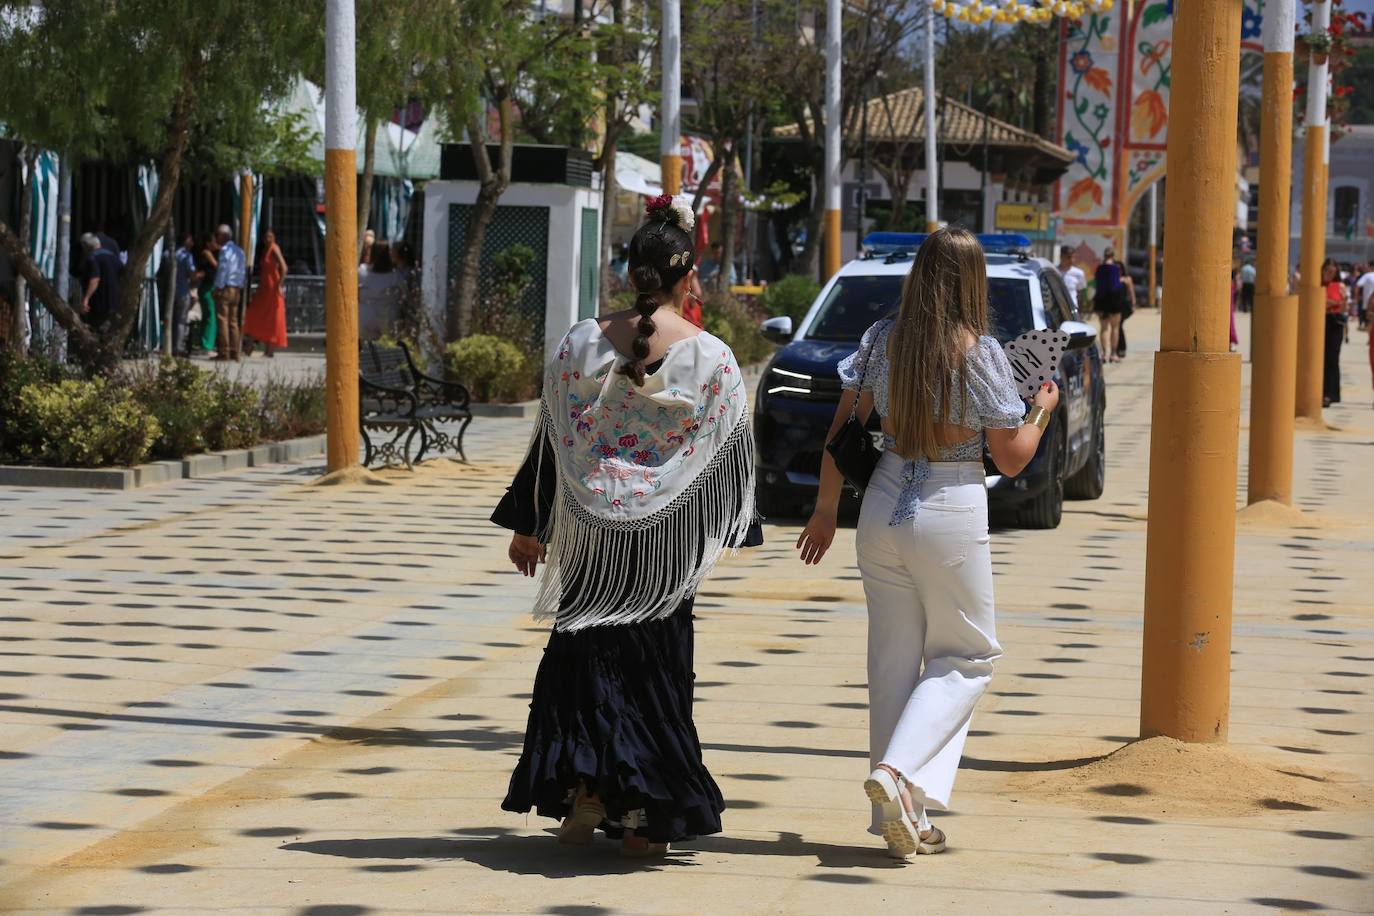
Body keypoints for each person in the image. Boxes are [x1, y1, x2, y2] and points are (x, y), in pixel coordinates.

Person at [496, 195, 759, 858]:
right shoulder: (715, 360)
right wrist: (728, 530)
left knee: (583, 665)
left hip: (590, 534)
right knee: (653, 676)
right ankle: (641, 818)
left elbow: (553, 440)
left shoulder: (578, 343)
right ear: (687, 278)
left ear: (628, 270)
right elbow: (728, 457)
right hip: (662, 550)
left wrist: (531, 525)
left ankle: (588, 790)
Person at [796, 227, 1059, 859]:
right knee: (968, 658)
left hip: (882, 497)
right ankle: (897, 776)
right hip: (949, 503)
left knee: (891, 661)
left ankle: (903, 815)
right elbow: (1012, 457)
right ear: (973, 281)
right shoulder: (981, 352)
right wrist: (1042, 408)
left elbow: (842, 427)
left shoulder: (883, 341)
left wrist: (825, 509)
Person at [241, 228, 289, 357]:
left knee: (273, 318)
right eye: (266, 237)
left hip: (273, 289)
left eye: (270, 237)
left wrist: (279, 285)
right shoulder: (265, 250)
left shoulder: (274, 249)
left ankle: (269, 350)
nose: (267, 239)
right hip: (264, 288)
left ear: (274, 238)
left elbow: (284, 268)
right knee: (254, 315)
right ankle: (249, 346)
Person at [212, 225, 246, 361]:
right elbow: (242, 272)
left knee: (223, 320)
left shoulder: (225, 251)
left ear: (224, 236)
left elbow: (222, 271)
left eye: (218, 235)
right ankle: (235, 352)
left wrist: (218, 288)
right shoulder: (240, 251)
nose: (216, 238)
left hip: (225, 288)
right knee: (233, 321)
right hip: (236, 289)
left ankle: (224, 352)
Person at [358, 241, 405, 339]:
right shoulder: (396, 276)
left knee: (366, 348)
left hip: (365, 316)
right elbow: (404, 294)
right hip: (389, 317)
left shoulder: (362, 272)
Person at [79, 233, 122, 333]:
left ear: (86, 246)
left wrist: (86, 299)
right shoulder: (113, 257)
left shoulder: (92, 258)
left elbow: (95, 280)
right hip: (115, 303)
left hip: (99, 304)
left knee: (94, 331)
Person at [1093, 247, 1128, 362]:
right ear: (1113, 256)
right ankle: (1113, 354)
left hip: (1101, 299)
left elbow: (1096, 283)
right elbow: (1117, 284)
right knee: (1115, 328)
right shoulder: (1116, 268)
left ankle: (1104, 354)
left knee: (1103, 328)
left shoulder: (1099, 268)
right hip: (1114, 300)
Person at [1322, 257, 1349, 408]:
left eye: (1332, 271)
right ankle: (1321, 391)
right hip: (1321, 321)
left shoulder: (1340, 285)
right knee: (1320, 358)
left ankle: (1331, 393)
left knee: (1332, 358)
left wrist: (1334, 303)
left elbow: (1344, 306)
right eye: (1327, 271)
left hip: (1335, 322)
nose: (1329, 274)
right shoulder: (1318, 285)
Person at [171, 233, 197, 356]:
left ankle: (169, 345)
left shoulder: (168, 254)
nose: (193, 243)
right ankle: (178, 347)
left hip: (170, 292)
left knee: (171, 320)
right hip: (182, 291)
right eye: (191, 240)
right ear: (186, 241)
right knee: (181, 321)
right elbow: (192, 273)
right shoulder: (187, 256)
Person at [196, 233, 220, 355]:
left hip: (210, 287)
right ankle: (207, 345)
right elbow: (217, 265)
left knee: (210, 316)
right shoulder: (207, 253)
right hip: (206, 288)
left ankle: (208, 343)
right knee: (210, 316)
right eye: (214, 241)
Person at [1056, 245, 1086, 309]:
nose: (1071, 260)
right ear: (1061, 257)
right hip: (1056, 308)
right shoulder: (1053, 272)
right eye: (1068, 257)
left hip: (1072, 308)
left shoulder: (1079, 273)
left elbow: (1080, 292)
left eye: (1073, 257)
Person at [1354, 262, 1373, 332]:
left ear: (1371, 267)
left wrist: (1356, 297)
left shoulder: (1367, 275)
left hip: (1368, 302)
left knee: (1369, 319)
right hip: (1369, 301)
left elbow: (1358, 285)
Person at [1229, 263, 1240, 352]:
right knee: (1231, 325)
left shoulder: (1231, 285)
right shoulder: (1232, 285)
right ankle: (1231, 343)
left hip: (1229, 308)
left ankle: (1231, 343)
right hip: (1230, 308)